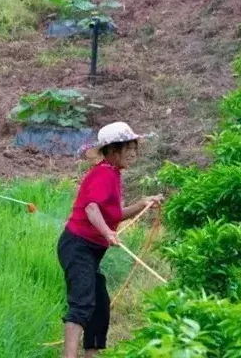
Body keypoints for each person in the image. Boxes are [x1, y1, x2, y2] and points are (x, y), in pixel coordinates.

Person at [57, 122, 164, 358]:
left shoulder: (113, 174)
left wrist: (142, 204)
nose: (133, 153)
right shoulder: (103, 173)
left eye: (134, 148)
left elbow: (114, 213)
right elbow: (92, 209)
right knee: (82, 303)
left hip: (90, 250)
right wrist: (107, 233)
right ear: (114, 150)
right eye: (129, 148)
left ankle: (91, 354)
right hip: (77, 246)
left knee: (100, 305)